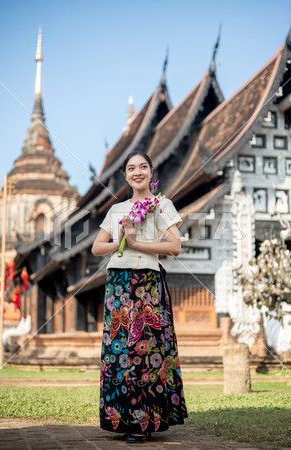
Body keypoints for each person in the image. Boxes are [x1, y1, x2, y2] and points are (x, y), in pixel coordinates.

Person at [91, 151, 188, 444]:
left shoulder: (162, 205)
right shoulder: (117, 209)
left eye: (143, 167)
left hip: (147, 281)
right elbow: (97, 248)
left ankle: (145, 421)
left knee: (146, 350)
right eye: (131, 168)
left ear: (151, 171)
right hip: (118, 283)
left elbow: (175, 246)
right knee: (119, 351)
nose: (137, 172)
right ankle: (120, 418)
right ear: (125, 176)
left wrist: (136, 243)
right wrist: (121, 240)